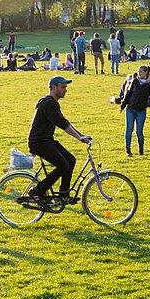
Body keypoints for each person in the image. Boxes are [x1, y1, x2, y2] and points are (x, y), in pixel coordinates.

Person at [27, 75, 92, 204]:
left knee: (71, 160)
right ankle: (37, 191)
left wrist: (81, 135)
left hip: (46, 140)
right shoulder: (48, 104)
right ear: (53, 88)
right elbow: (62, 124)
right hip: (38, 142)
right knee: (63, 165)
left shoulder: (53, 103)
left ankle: (64, 195)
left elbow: (65, 122)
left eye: (66, 87)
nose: (65, 90)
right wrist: (79, 137)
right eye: (63, 87)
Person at [121, 65, 150, 156]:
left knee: (139, 132)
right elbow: (128, 94)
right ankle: (128, 149)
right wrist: (122, 105)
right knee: (129, 130)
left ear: (146, 73)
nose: (139, 73)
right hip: (130, 109)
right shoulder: (135, 81)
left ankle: (141, 150)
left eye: (141, 72)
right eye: (138, 72)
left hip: (141, 111)